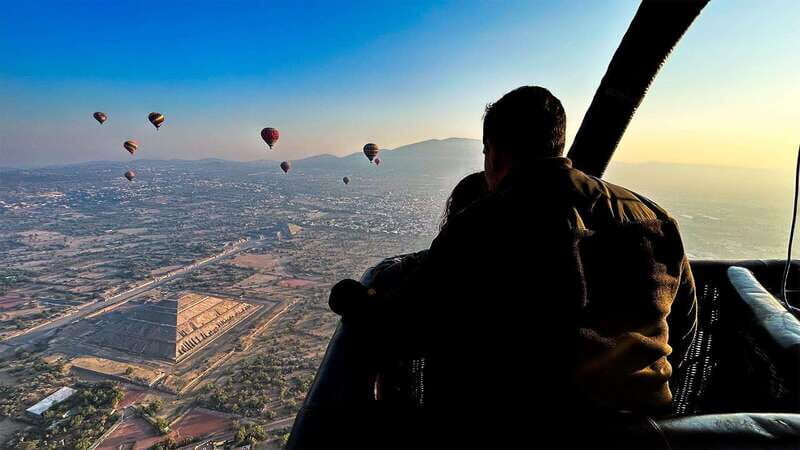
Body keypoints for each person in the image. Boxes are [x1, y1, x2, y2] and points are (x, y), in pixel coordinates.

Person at [331, 86, 697, 445]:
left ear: (494, 156)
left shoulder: (480, 226)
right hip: (647, 431)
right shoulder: (653, 217)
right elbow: (685, 323)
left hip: (521, 428)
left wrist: (354, 300)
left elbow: (404, 328)